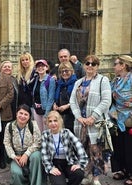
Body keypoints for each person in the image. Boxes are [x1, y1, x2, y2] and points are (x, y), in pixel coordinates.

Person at [70, 55, 112, 185]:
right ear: (84, 65)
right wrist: (79, 117)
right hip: (80, 123)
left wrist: (93, 116)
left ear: (97, 66)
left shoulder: (103, 80)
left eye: (93, 64)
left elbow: (106, 100)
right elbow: (72, 101)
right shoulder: (79, 82)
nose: (90, 66)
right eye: (87, 63)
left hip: (95, 123)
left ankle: (96, 178)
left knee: (96, 151)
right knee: (83, 150)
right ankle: (86, 174)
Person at [41, 110, 88, 185]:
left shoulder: (67, 132)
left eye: (55, 121)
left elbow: (79, 147)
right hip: (54, 164)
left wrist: (80, 164)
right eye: (50, 121)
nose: (53, 123)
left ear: (60, 121)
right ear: (47, 123)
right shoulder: (45, 135)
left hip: (68, 162)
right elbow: (44, 155)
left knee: (79, 174)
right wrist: (50, 168)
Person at [4, 104, 43, 185]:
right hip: (17, 155)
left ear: (29, 117)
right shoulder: (9, 126)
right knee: (17, 173)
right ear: (16, 114)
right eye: (20, 113)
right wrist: (14, 156)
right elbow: (7, 143)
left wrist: (26, 154)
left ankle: (35, 182)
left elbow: (38, 142)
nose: (23, 116)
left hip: (31, 153)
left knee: (37, 156)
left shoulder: (33, 125)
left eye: (26, 114)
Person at [109, 55, 132, 185]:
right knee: (119, 145)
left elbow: (125, 98)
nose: (114, 66)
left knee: (130, 147)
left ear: (123, 65)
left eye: (116, 63)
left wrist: (125, 103)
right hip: (117, 117)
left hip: (130, 118)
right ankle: (122, 170)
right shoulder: (115, 80)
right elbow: (111, 96)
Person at [32, 59, 56, 132]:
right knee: (39, 132)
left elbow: (51, 98)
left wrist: (47, 114)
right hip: (36, 110)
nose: (40, 68)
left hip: (45, 110)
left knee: (47, 131)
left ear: (46, 67)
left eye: (42, 66)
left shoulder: (50, 80)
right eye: (38, 66)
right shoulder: (36, 79)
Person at [53, 62, 77, 133]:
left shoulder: (76, 83)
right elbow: (57, 97)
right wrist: (55, 104)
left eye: (66, 71)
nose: (64, 73)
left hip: (72, 115)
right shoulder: (59, 83)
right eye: (62, 71)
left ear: (71, 71)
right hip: (61, 114)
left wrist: (67, 106)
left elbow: (78, 100)